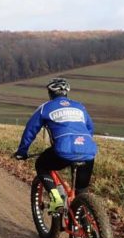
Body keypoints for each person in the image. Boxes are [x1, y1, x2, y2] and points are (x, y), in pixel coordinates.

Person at [13, 77, 97, 213]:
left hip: (63, 151)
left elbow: (31, 130)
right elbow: (90, 129)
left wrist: (22, 151)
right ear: (66, 93)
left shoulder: (45, 108)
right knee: (81, 191)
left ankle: (56, 199)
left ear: (50, 93)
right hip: (88, 150)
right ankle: (84, 223)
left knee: (41, 165)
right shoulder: (80, 107)